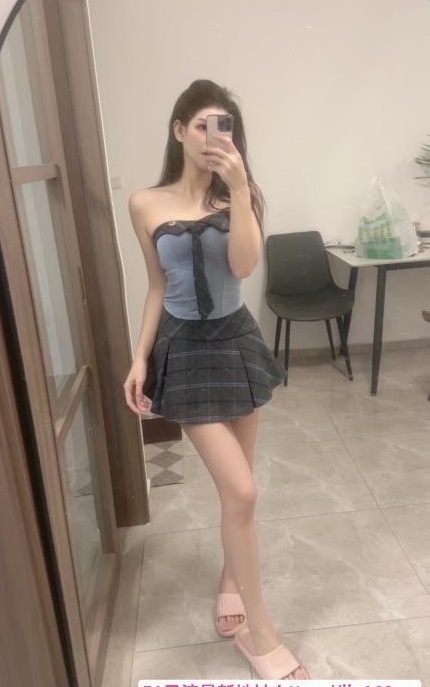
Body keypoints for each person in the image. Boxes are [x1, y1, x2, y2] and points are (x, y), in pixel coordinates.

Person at [124, 79, 309, 679]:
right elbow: (157, 286)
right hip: (184, 349)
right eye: (201, 124)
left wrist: (240, 191)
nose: (211, 136)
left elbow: (244, 266)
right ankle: (261, 634)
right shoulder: (144, 203)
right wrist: (139, 358)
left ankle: (231, 578)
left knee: (239, 489)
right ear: (179, 130)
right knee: (244, 491)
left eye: (223, 126)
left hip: (236, 342)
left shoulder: (240, 194)